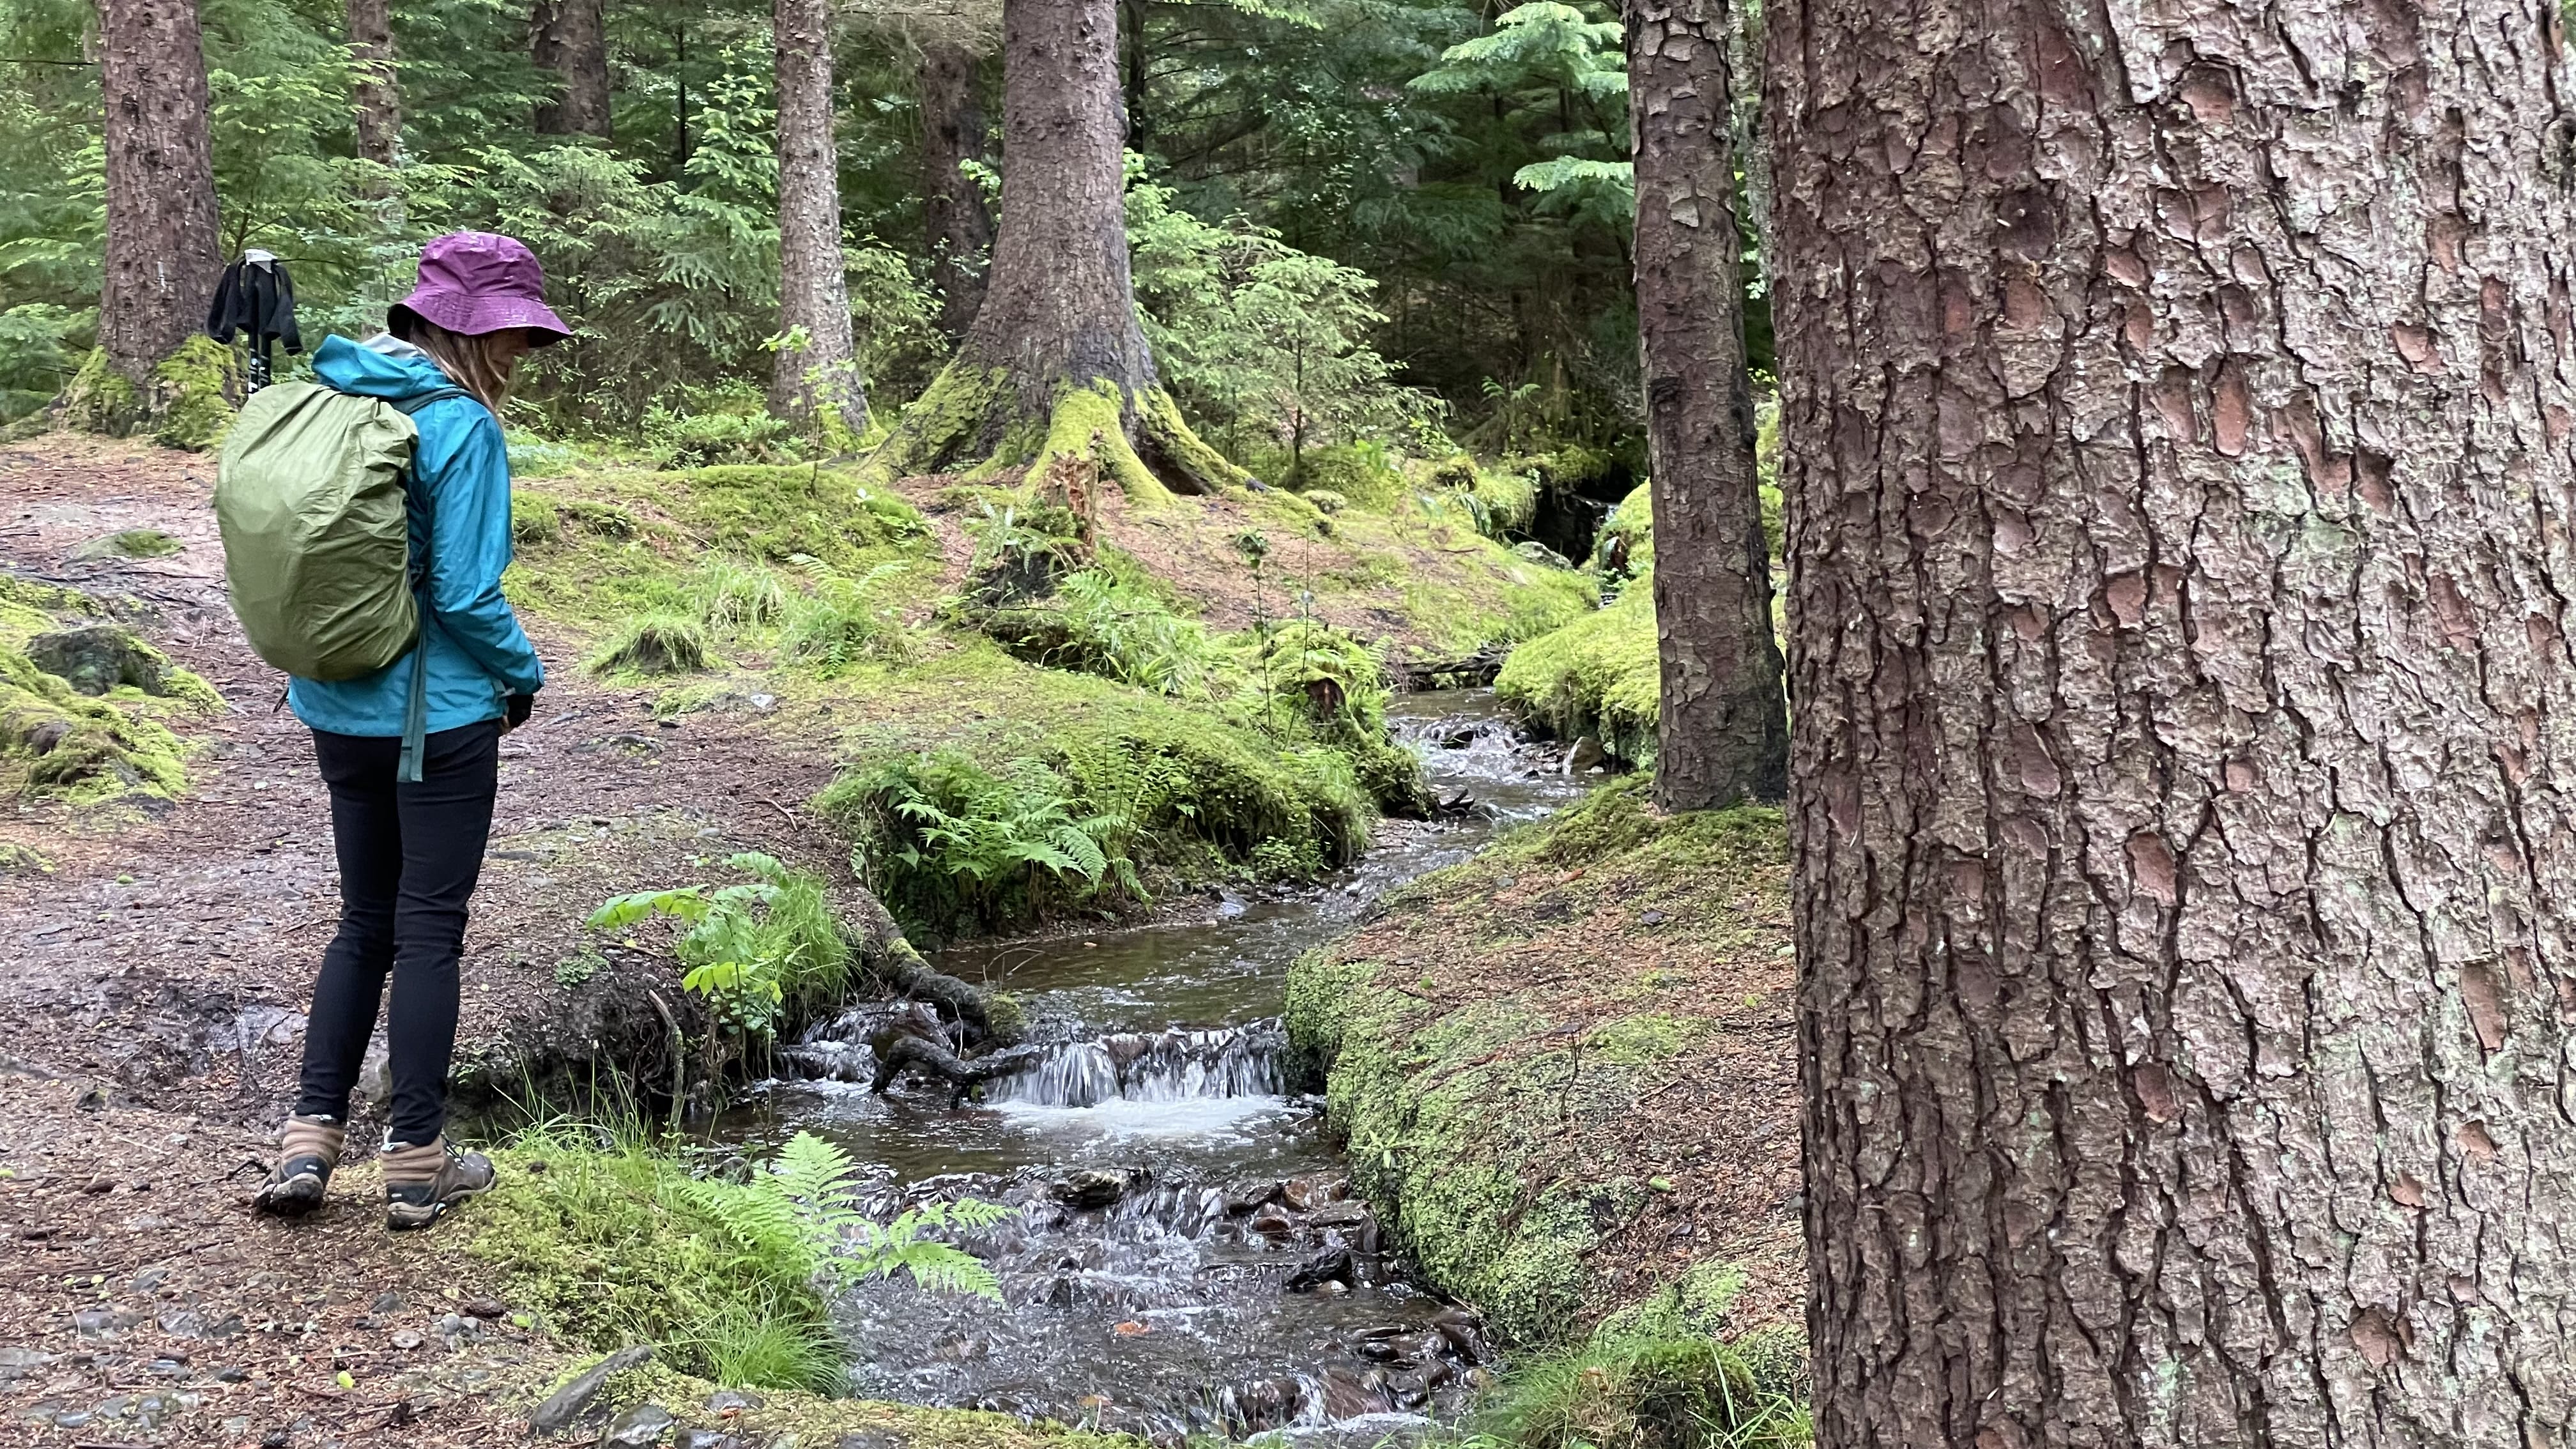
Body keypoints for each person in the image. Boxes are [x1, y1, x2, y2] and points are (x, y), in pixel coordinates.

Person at [254, 232, 566, 1229]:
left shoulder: (339, 393)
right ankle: (418, 1159)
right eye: (513, 334)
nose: (521, 353)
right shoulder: (459, 425)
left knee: (363, 922)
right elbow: (469, 595)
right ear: (470, 332)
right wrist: (525, 675)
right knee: (430, 926)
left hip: (334, 702)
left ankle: (310, 1136)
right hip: (436, 716)